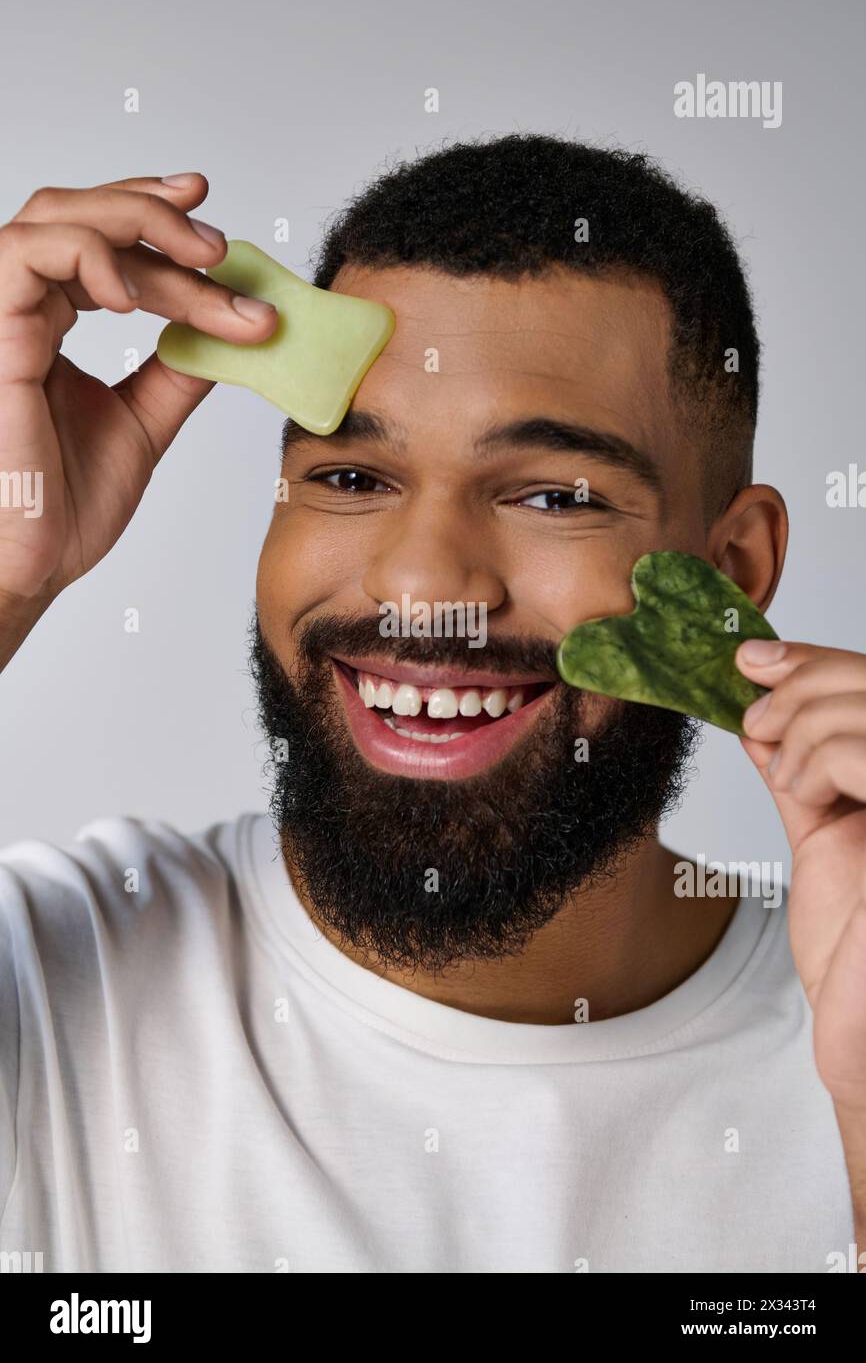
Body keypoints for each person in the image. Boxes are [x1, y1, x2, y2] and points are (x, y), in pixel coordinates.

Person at [1, 135, 864, 1274]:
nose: (423, 584)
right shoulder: (59, 985)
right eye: (352, 478)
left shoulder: (840, 1022)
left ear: (733, 573)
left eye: (555, 494)